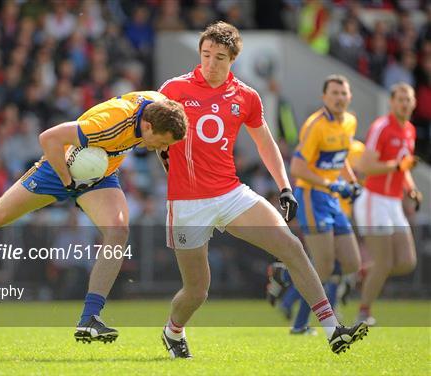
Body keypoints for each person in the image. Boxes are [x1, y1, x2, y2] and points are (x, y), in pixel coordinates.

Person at [157, 22, 368, 358]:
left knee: (292, 246)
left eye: (220, 57)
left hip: (230, 193)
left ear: (233, 60)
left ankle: (333, 330)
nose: (211, 63)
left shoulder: (246, 96)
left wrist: (285, 187)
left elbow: (267, 144)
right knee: (197, 291)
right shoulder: (173, 89)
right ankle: (173, 331)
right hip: (187, 203)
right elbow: (153, 135)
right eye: (206, 55)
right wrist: (162, 156)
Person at [0, 91, 188, 343]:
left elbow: (164, 146)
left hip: (99, 174)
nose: (156, 147)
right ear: (148, 126)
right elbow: (49, 137)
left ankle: (90, 318)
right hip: (59, 168)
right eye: (159, 141)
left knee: (118, 230)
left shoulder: (159, 109)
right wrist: (68, 180)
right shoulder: (109, 123)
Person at [268, 75, 364, 335]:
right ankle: (299, 321)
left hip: (332, 199)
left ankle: (285, 277)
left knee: (351, 264)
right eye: (334, 93)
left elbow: (342, 158)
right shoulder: (315, 125)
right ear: (324, 97)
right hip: (312, 196)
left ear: (349, 97)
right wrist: (331, 184)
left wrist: (351, 181)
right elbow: (298, 167)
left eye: (343, 93)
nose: (339, 98)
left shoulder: (350, 122)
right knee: (323, 268)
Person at [353, 83, 421, 326]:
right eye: (400, 99)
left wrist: (410, 188)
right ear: (392, 102)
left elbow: (404, 166)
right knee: (384, 262)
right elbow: (364, 166)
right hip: (374, 200)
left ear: (414, 103)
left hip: (393, 202)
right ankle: (363, 312)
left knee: (406, 262)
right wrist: (397, 167)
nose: (404, 103)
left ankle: (361, 273)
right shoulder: (382, 127)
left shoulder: (410, 130)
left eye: (408, 99)